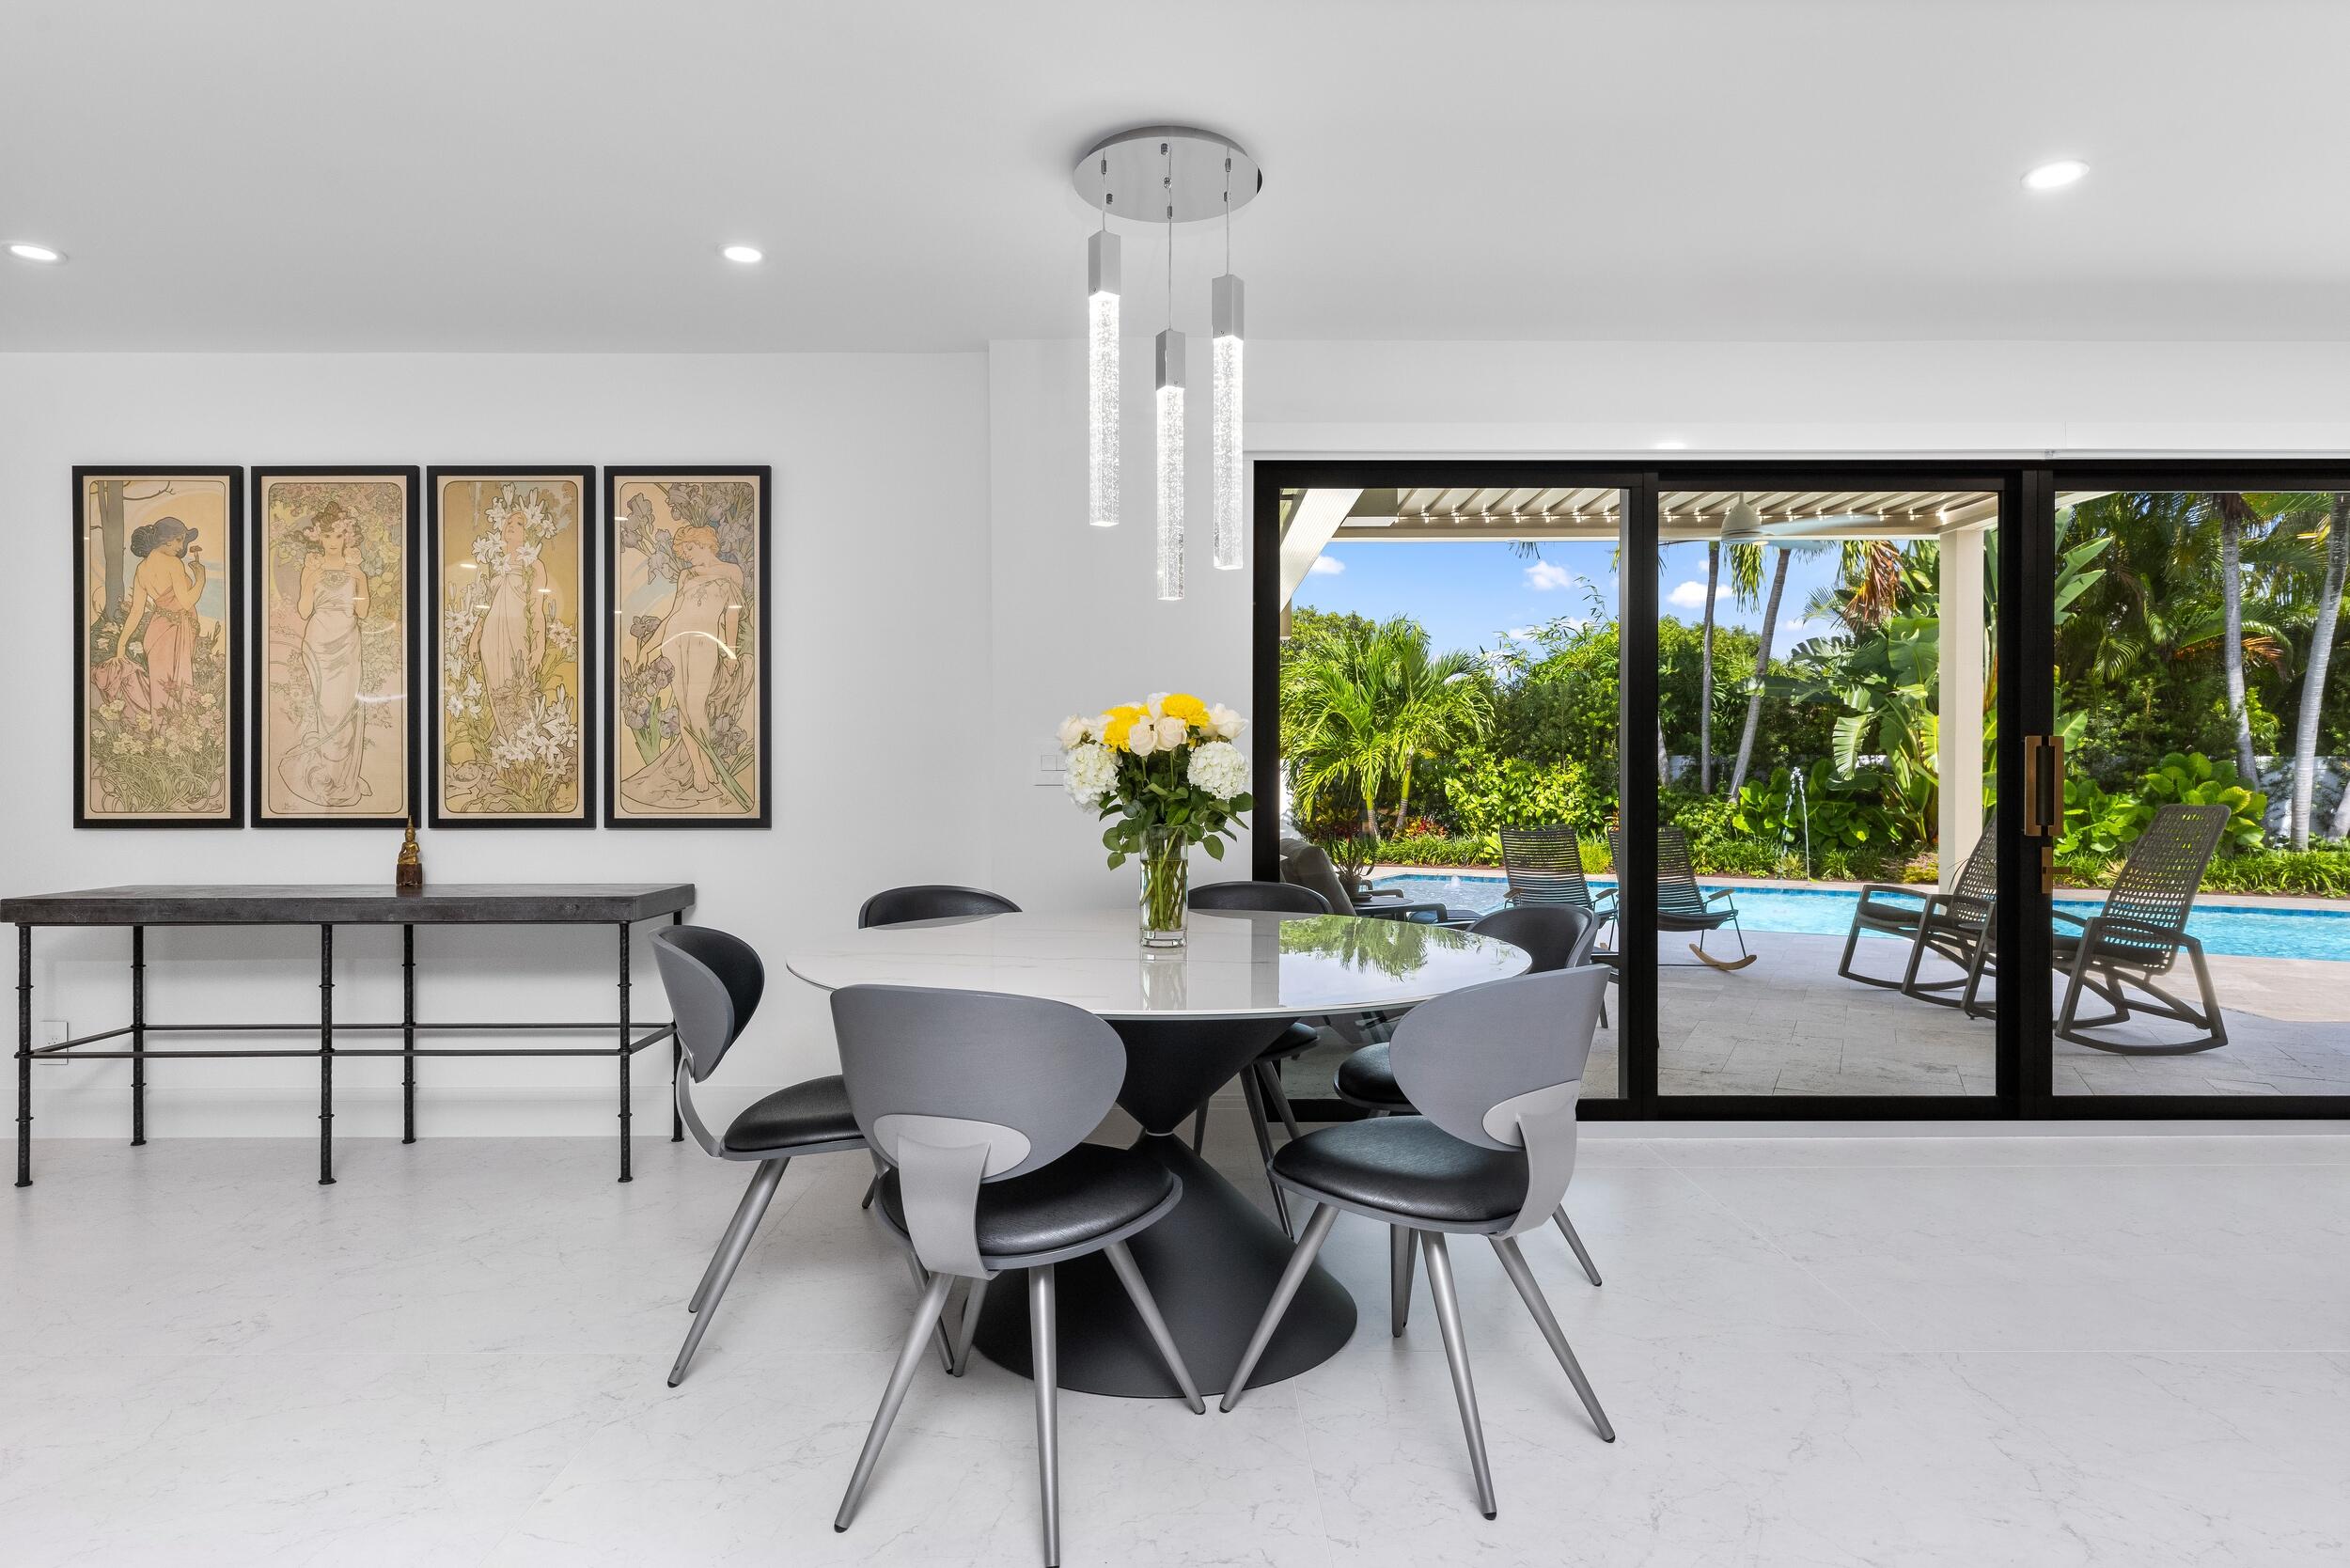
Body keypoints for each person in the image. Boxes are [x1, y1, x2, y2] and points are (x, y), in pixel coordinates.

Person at [622, 524, 744, 808]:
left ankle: (710, 766)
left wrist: (730, 653)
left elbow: (731, 618)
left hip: (705, 644)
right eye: (684, 550)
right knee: (683, 709)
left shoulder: (731, 572)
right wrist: (650, 645)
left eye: (689, 548)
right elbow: (673, 614)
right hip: (675, 643)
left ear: (704, 543)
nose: (686, 555)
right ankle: (701, 770)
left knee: (696, 708)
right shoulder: (685, 575)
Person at [277, 501, 373, 808]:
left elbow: (363, 611)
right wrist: (309, 580)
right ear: (318, 536)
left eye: (339, 535)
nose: (333, 541)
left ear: (348, 537)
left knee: (345, 707)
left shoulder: (356, 572)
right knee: (323, 707)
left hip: (347, 641)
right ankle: (321, 773)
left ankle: (343, 777)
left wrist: (359, 578)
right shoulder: (313, 569)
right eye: (328, 535)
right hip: (318, 641)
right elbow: (305, 611)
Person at [469, 503, 549, 737]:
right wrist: (475, 637)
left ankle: (523, 746)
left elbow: (537, 609)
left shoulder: (534, 565)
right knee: (496, 690)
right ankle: (506, 742)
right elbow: (485, 606)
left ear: (530, 532)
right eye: (508, 522)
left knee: (517, 689)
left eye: (519, 523)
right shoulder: (496, 564)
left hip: (518, 637)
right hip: (491, 640)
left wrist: (539, 646)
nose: (511, 526)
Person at [114, 516, 204, 708]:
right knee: (177, 691)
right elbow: (186, 602)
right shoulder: (173, 563)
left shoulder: (141, 568)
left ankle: (161, 734)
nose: (181, 546)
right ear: (166, 539)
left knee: (161, 693)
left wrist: (121, 645)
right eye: (179, 539)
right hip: (173, 634)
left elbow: (136, 611)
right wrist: (201, 579)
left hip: (155, 634)